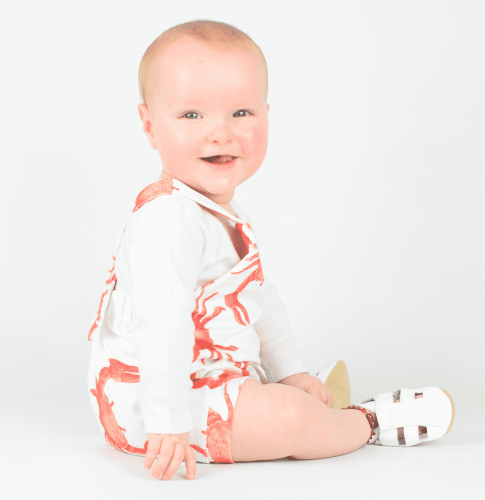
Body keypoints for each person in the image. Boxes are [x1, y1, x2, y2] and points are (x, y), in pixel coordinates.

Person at [87, 19, 455, 481]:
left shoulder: (217, 210)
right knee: (290, 421)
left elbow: (256, 299)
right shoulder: (169, 221)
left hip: (209, 382)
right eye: (191, 115)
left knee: (282, 398)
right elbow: (160, 323)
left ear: (266, 114)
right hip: (148, 405)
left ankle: (300, 395)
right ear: (149, 125)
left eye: (240, 113)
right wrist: (168, 422)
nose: (219, 133)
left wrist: (290, 371)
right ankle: (362, 422)